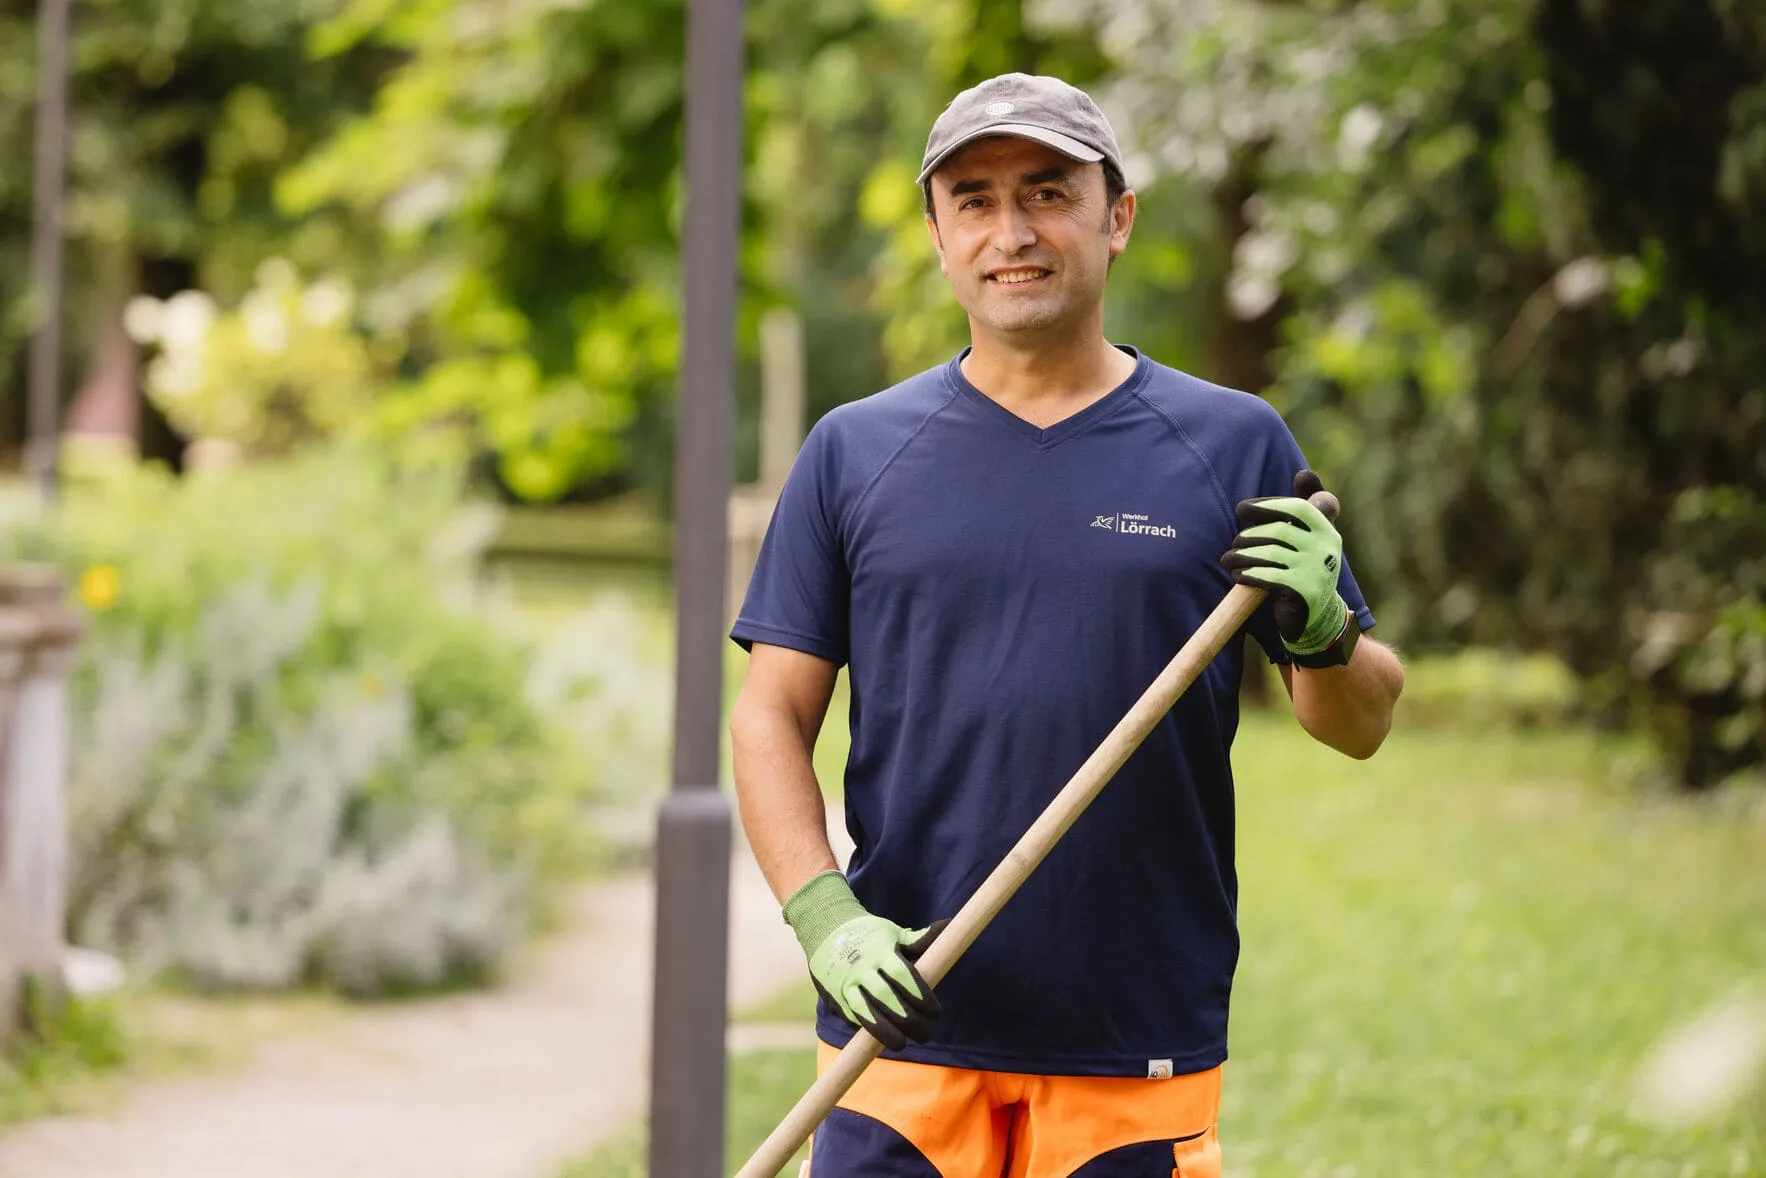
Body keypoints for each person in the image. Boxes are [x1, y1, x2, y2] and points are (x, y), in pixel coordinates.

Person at [728, 72, 1406, 1178]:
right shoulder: (853, 451)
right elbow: (767, 718)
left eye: (1047, 192)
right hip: (901, 1027)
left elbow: (1357, 723)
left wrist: (1325, 629)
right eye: (976, 200)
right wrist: (821, 916)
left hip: (1131, 1035)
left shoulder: (1231, 444)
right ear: (939, 234)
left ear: (1116, 216)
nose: (1013, 232)